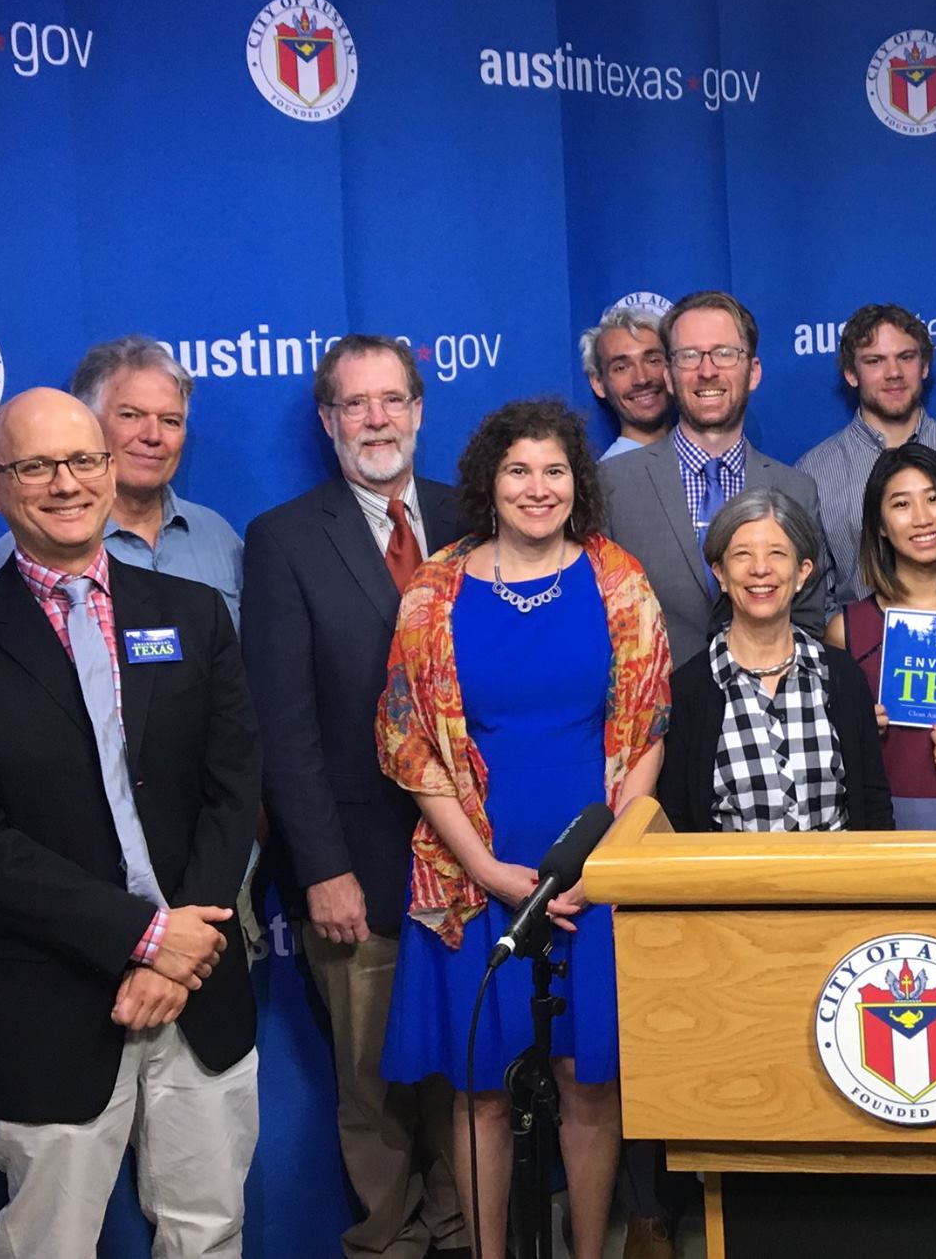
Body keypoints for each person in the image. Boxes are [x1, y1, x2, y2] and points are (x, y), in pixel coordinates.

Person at [0, 389, 260, 1259]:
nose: (65, 484)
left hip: (200, 987)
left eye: (83, 460)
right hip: (47, 1002)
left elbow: (235, 784)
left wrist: (185, 944)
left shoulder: (193, 614)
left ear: (110, 470)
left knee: (208, 1231)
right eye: (36, 466)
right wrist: (146, 938)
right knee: (49, 1245)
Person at [378, 398, 670, 1259]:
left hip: (594, 874)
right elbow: (408, 743)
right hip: (473, 877)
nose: (537, 489)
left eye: (554, 471)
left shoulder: (620, 580)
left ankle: (589, 1252)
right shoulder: (433, 593)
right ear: (488, 484)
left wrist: (605, 865)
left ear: (576, 483)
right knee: (484, 1093)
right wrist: (487, 870)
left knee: (589, 1084)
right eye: (518, 471)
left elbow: (648, 724)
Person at [241, 333, 469, 1259]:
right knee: (371, 1085)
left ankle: (465, 1234)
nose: (376, 420)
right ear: (329, 421)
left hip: (474, 858)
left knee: (468, 1075)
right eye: (354, 405)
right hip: (356, 864)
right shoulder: (285, 539)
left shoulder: (476, 515)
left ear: (418, 410)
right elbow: (281, 725)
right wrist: (321, 868)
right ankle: (390, 1242)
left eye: (391, 401)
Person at [602, 289, 830, 667]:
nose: (707, 371)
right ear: (670, 376)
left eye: (725, 353)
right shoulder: (612, 484)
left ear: (753, 372)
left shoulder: (797, 490)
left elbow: (807, 620)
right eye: (689, 355)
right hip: (657, 719)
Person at [0, 335, 244, 625]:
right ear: (88, 425)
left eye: (170, 420)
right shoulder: (11, 558)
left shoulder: (219, 538)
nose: (153, 436)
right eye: (131, 415)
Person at [660, 489, 893, 833]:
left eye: (777, 553)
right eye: (742, 554)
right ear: (720, 573)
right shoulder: (688, 691)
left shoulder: (842, 676)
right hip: (732, 886)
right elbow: (676, 821)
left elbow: (874, 806)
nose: (760, 569)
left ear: (802, 573)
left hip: (838, 884)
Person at [825, 443, 936, 830]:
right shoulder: (846, 630)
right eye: (902, 504)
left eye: (935, 499)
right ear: (879, 524)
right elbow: (824, 757)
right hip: (879, 826)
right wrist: (856, 733)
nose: (922, 518)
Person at [794, 304, 936, 601]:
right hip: (853, 645)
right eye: (875, 361)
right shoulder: (812, 473)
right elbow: (812, 599)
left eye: (906, 357)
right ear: (851, 373)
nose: (894, 373)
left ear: (924, 366)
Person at [581, 302, 673, 461]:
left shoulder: (710, 459)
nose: (642, 379)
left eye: (653, 361)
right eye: (621, 368)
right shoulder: (604, 481)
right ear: (598, 383)